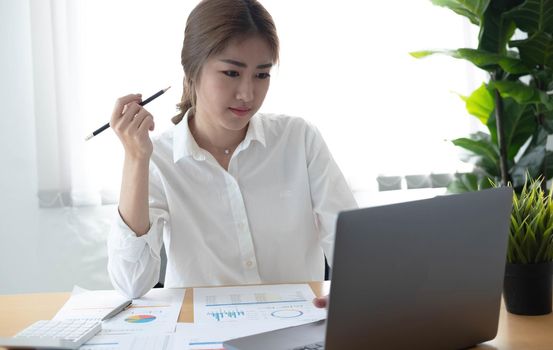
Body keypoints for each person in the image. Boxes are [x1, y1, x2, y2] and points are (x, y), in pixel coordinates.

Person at [107, 0, 357, 300]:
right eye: (231, 73)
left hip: (295, 328)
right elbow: (131, 284)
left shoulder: (299, 139)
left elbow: (351, 245)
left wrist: (353, 290)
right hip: (200, 335)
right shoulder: (158, 156)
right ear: (192, 71)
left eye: (261, 75)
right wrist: (136, 159)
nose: (247, 94)